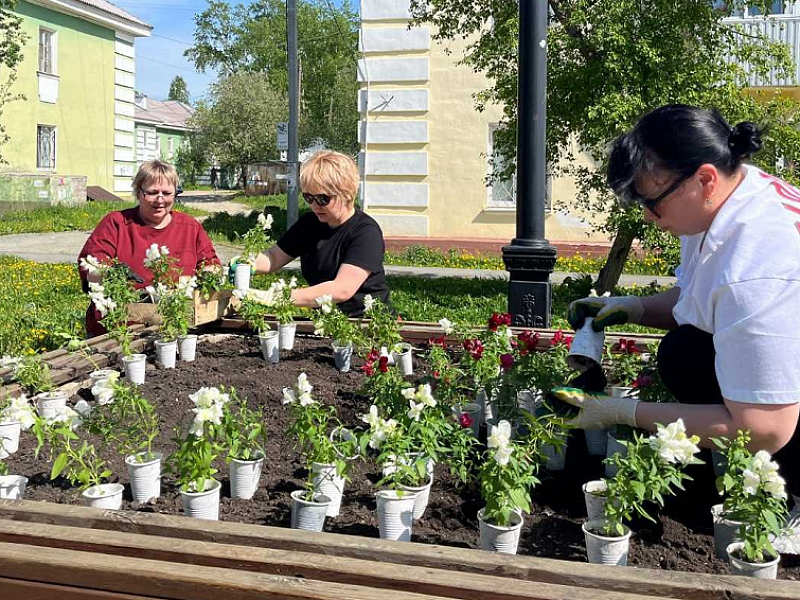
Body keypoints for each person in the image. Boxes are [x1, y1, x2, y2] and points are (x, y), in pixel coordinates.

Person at [555, 105, 800, 526]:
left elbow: (765, 428)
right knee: (686, 350)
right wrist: (633, 308)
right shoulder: (728, 196)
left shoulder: (755, 266)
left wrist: (620, 412)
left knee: (696, 362)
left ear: (704, 179)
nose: (647, 216)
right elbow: (700, 296)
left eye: (652, 202)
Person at [78, 160, 220, 336]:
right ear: (139, 192)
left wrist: (208, 275)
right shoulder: (116, 224)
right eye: (152, 193)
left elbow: (211, 263)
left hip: (176, 325)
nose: (160, 200)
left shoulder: (189, 227)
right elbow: (90, 267)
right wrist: (111, 273)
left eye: (167, 193)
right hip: (118, 328)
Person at [249, 150, 390, 316]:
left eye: (323, 199)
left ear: (346, 194)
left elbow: (341, 289)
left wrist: (278, 297)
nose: (315, 205)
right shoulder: (308, 224)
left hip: (366, 322)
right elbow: (274, 257)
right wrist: (245, 265)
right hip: (327, 321)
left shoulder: (366, 232)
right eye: (308, 197)